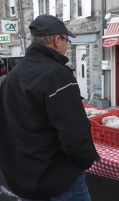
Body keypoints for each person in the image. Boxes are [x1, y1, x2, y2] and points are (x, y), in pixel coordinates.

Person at [0, 14, 100, 201]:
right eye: (66, 40)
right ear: (56, 40)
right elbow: (74, 133)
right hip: (57, 179)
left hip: (25, 178)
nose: (67, 45)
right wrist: (86, 161)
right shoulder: (56, 74)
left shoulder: (13, 75)